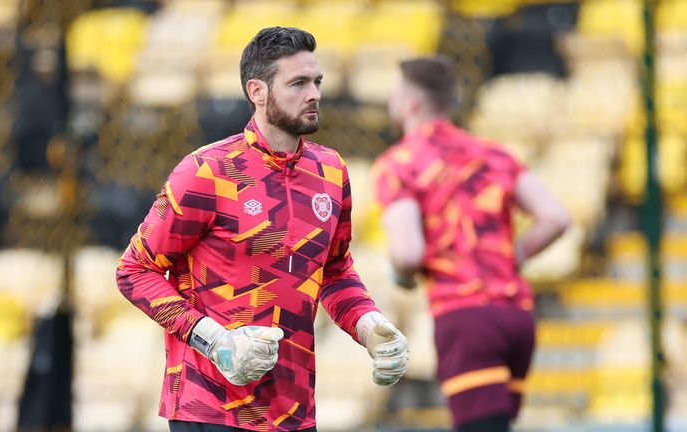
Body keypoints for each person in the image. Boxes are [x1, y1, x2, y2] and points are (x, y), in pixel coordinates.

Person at [116, 27, 409, 432]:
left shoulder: (330, 171)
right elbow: (134, 272)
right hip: (212, 406)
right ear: (257, 91)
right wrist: (213, 341)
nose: (315, 94)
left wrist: (370, 325)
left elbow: (335, 271)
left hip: (294, 411)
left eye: (317, 82)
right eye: (298, 83)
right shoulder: (207, 170)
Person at [372, 55, 571, 432]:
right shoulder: (493, 153)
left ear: (411, 103)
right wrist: (515, 255)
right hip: (518, 316)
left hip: (465, 316)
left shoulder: (398, 164)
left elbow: (408, 252)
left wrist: (401, 277)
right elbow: (556, 218)